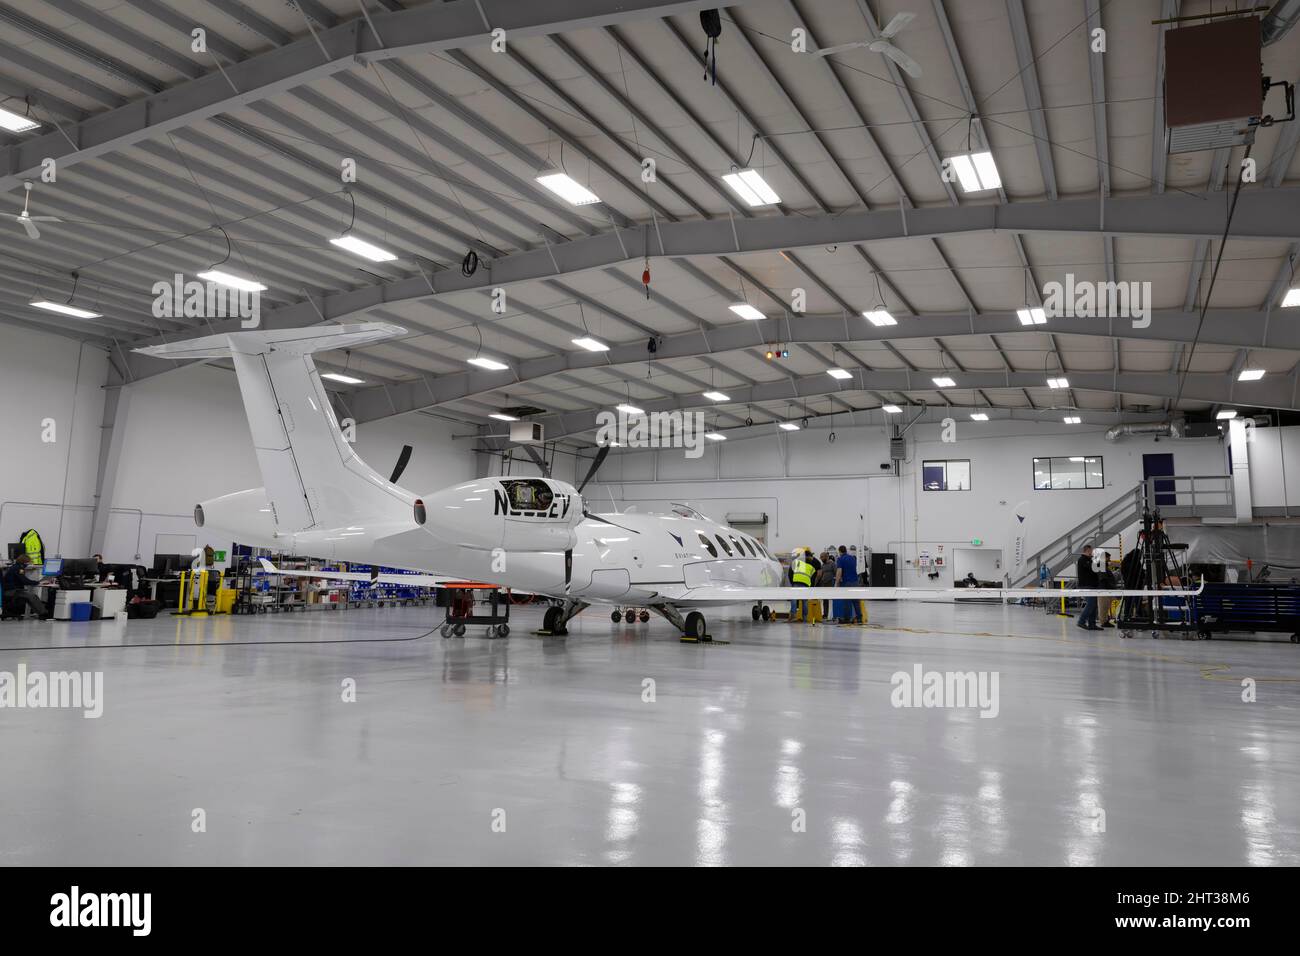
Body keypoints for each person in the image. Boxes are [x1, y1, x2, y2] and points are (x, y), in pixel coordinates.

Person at [1, 554, 51, 620]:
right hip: (12, 591)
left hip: (10, 590)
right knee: (32, 596)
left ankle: (40, 613)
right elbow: (24, 581)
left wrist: (36, 582)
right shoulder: (19, 568)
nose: (30, 563)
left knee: (30, 596)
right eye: (29, 562)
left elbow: (23, 580)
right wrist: (38, 582)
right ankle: (44, 614)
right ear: (25, 562)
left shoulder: (15, 567)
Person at [834, 545, 862, 623]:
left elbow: (839, 571)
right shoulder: (853, 558)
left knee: (847, 601)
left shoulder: (840, 559)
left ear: (840, 551)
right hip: (855, 581)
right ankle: (859, 618)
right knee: (856, 601)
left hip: (847, 582)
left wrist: (836, 583)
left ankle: (847, 619)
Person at [1076, 544, 1100, 630]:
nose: (1092, 552)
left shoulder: (1089, 560)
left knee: (1094, 605)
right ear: (1087, 550)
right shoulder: (1082, 559)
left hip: (1092, 585)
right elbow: (1093, 568)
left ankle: (1092, 624)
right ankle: (1081, 621)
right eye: (1091, 551)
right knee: (1091, 604)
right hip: (1086, 585)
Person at [790, 548, 815, 623]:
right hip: (805, 584)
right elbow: (812, 578)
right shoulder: (812, 568)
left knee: (794, 599)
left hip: (796, 582)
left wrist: (792, 582)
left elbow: (791, 572)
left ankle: (793, 615)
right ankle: (805, 618)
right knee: (805, 601)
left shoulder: (797, 563)